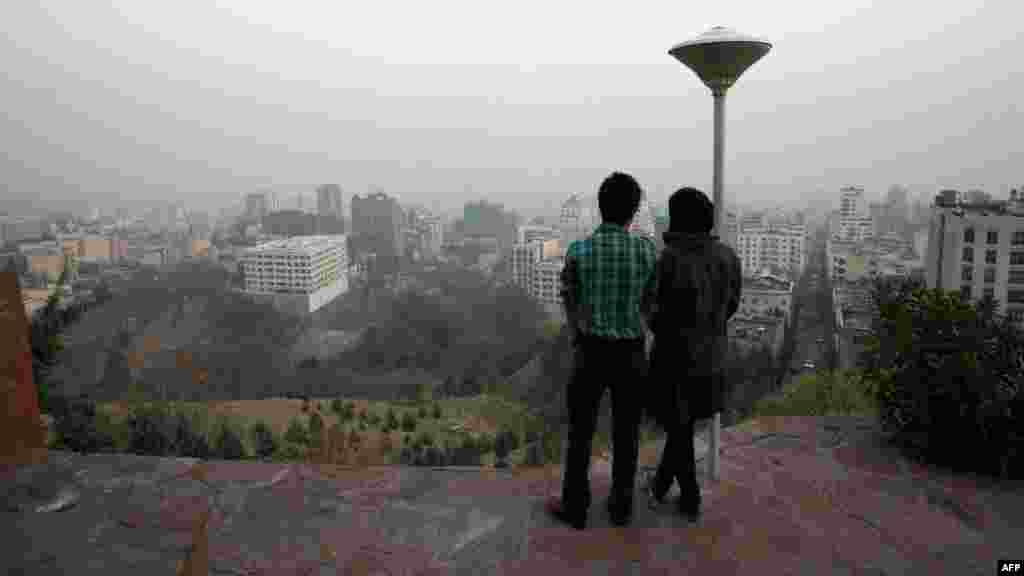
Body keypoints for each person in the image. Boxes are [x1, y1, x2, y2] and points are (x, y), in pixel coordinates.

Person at [545, 172, 657, 529]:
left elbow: (569, 298)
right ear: (634, 211)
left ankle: (575, 506)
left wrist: (579, 333)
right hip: (631, 352)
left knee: (581, 432)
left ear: (600, 206)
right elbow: (651, 303)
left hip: (590, 351)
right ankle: (620, 506)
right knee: (626, 433)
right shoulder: (645, 251)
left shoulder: (579, 251)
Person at [645, 187, 741, 521]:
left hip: (674, 358)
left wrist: (671, 332)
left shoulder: (669, 259)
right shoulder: (728, 257)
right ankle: (660, 485)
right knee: (681, 428)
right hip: (712, 357)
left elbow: (652, 311)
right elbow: (732, 305)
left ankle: (689, 495)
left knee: (679, 427)